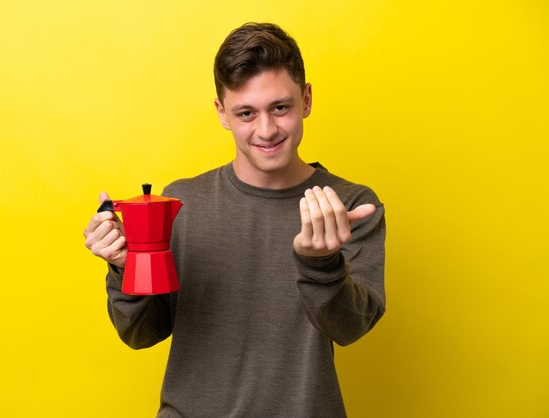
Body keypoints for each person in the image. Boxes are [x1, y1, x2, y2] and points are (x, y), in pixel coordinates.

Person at [83, 22, 386, 418]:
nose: (266, 130)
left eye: (281, 107)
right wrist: (125, 267)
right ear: (222, 113)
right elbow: (142, 333)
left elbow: (350, 329)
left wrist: (322, 264)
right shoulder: (181, 204)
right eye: (246, 112)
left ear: (307, 99)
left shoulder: (349, 205)